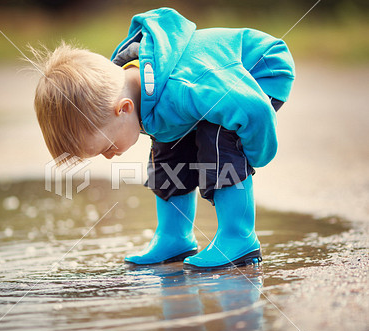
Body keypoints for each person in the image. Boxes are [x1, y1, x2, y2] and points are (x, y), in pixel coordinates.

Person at [33, 7, 295, 270]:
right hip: (211, 92)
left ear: (124, 108)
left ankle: (238, 237)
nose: (110, 155)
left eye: (108, 147)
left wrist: (257, 154)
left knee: (218, 139)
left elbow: (254, 109)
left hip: (259, 69)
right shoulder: (135, 93)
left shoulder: (184, 87)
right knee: (168, 147)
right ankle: (174, 236)